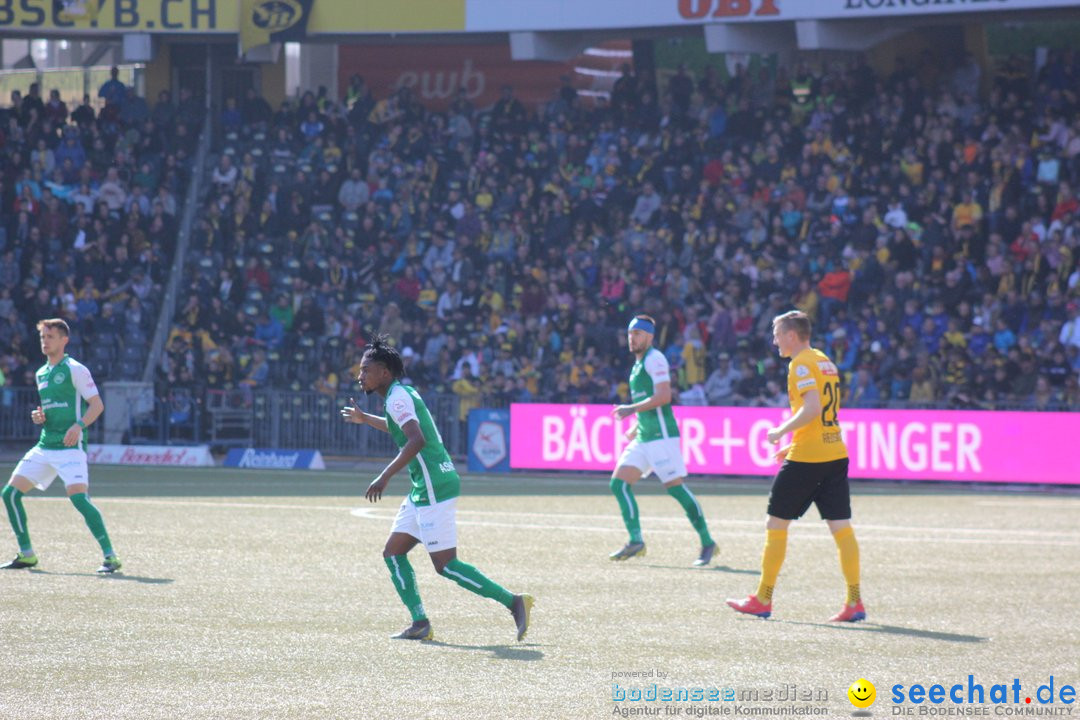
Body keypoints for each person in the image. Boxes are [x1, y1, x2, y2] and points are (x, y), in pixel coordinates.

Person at [341, 336, 533, 641]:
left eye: (366, 369)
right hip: (425, 485)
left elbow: (416, 440)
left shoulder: (397, 397)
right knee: (393, 553)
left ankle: (513, 602)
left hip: (434, 486)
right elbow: (401, 429)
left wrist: (385, 476)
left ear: (385, 373)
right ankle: (420, 623)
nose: (360, 375)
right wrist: (366, 420)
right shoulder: (397, 395)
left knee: (446, 566)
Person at [726, 310, 864, 622]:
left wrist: (780, 432)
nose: (774, 341)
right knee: (841, 529)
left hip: (808, 459)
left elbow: (813, 407)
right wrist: (794, 441)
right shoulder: (824, 360)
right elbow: (826, 413)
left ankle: (762, 598)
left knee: (775, 525)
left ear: (791, 335)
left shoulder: (800, 363)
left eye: (777, 335)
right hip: (835, 452)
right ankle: (854, 600)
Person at [1, 319, 121, 573]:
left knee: (78, 498)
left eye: (50, 337)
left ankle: (110, 556)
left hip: (70, 447)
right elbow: (50, 409)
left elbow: (97, 405)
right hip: (45, 445)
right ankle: (27, 554)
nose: (45, 341)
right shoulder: (41, 373)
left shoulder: (75, 369)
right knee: (10, 494)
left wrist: (79, 425)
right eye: (43, 337)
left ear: (64, 340)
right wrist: (40, 416)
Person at [609, 315, 717, 565]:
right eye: (629, 333)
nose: (632, 338)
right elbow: (651, 401)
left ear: (649, 337)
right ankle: (636, 540)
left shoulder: (655, 358)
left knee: (676, 489)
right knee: (618, 484)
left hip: (662, 437)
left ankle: (707, 542)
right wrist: (636, 426)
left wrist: (630, 410)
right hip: (645, 436)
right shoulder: (637, 365)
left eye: (637, 333)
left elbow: (664, 396)